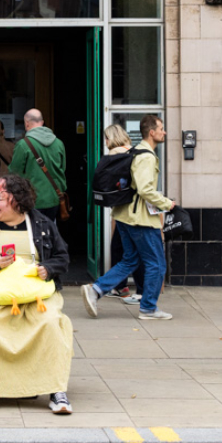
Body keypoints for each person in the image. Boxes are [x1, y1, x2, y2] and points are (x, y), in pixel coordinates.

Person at [0, 175, 74, 415]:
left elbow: (62, 258)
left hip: (34, 291)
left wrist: (49, 269)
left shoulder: (42, 224)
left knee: (51, 322)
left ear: (17, 200)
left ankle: (55, 389)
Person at [81, 115, 176, 323]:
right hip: (140, 220)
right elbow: (145, 189)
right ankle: (149, 308)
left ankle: (95, 290)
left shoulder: (136, 152)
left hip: (124, 216)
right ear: (152, 132)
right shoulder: (146, 157)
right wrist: (167, 203)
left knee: (131, 260)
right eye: (161, 128)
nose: (164, 132)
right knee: (157, 264)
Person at [96, 125, 139, 301]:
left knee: (121, 250)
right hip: (135, 208)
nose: (105, 142)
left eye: (106, 138)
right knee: (133, 251)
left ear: (112, 138)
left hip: (121, 209)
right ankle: (131, 288)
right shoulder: (135, 153)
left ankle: (117, 286)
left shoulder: (113, 156)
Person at [9, 109, 67, 222]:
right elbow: (62, 169)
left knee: (33, 234)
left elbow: (14, 175)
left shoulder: (23, 145)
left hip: (32, 200)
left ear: (27, 123)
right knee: (49, 232)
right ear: (42, 122)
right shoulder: (59, 143)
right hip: (55, 199)